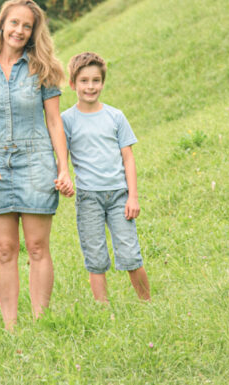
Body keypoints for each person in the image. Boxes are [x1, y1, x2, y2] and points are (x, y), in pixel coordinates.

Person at [0, 0, 74, 331]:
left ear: (33, 33)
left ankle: (41, 321)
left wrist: (62, 168)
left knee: (38, 247)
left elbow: (55, 123)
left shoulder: (43, 68)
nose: (19, 30)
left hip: (36, 162)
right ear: (2, 24)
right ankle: (11, 326)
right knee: (4, 249)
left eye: (27, 26)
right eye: (14, 23)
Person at [62, 52, 150, 303]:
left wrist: (133, 196)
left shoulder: (115, 116)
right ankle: (104, 310)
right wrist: (64, 177)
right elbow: (62, 155)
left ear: (103, 82)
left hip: (119, 196)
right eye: (84, 81)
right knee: (96, 258)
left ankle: (147, 304)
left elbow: (128, 158)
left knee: (131, 254)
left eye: (96, 80)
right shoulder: (66, 120)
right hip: (89, 197)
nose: (91, 87)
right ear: (72, 84)